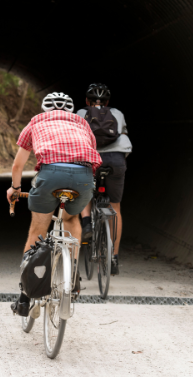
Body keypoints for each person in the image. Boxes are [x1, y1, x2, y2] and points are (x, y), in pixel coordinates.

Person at [6, 92, 102, 316]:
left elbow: (18, 166)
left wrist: (15, 189)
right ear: (69, 111)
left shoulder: (36, 121)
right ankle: (73, 275)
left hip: (51, 174)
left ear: (44, 109)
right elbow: (92, 152)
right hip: (84, 177)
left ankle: (24, 297)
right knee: (71, 218)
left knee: (38, 229)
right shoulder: (82, 123)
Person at [76, 83, 132, 276]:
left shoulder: (81, 113)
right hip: (115, 159)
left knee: (85, 193)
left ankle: (86, 223)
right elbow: (122, 134)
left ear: (86, 101)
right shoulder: (117, 113)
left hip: (90, 158)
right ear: (108, 102)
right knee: (115, 207)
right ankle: (113, 257)